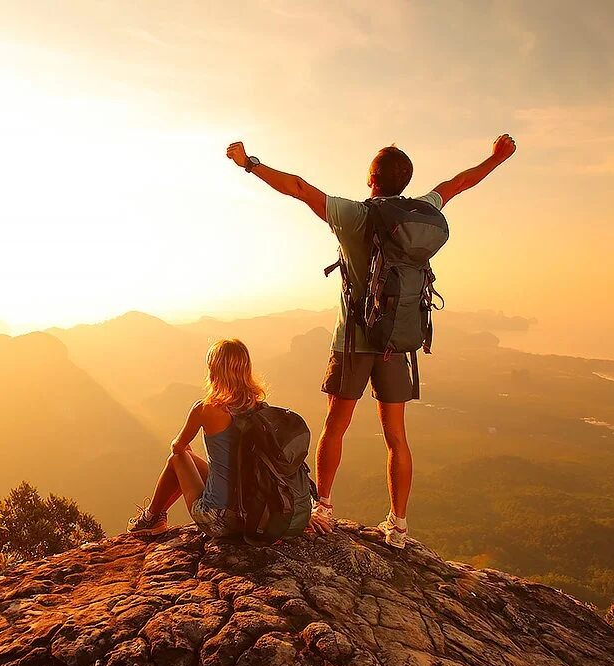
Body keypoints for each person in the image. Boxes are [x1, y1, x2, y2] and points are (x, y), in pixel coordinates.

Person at [224, 134, 517, 547]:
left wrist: (249, 163)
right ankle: (398, 525)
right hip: (397, 341)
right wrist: (496, 158)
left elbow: (299, 188)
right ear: (405, 181)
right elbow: (457, 184)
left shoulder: (354, 215)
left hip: (354, 342)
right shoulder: (421, 215)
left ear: (371, 178)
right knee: (396, 436)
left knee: (336, 425)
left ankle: (323, 508)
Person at [127, 338, 267, 538]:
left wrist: (184, 450)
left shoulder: (205, 409)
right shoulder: (258, 407)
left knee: (178, 457)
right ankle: (153, 517)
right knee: (188, 458)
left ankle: (151, 518)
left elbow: (177, 447)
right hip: (250, 516)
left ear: (214, 371)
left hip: (216, 520)